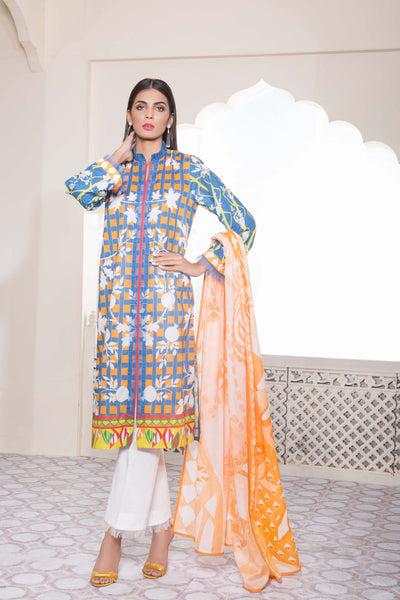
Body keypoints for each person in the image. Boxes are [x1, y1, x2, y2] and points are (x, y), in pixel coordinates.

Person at [65, 78, 256, 587]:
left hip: (167, 319)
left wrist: (199, 264)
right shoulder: (115, 172)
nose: (149, 114)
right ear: (130, 114)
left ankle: (113, 534)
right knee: (138, 432)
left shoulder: (189, 170)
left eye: (159, 107)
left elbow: (243, 222)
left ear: (171, 118)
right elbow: (78, 191)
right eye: (140, 106)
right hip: (116, 317)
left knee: (147, 430)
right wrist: (115, 157)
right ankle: (161, 531)